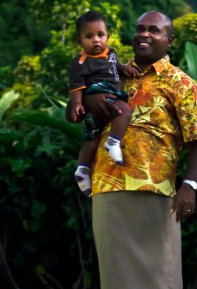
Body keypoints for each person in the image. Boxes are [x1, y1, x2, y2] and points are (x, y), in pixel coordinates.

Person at [67, 11, 197, 289]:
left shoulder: (180, 82)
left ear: (169, 40)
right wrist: (89, 103)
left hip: (158, 186)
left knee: (159, 267)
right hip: (109, 181)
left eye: (154, 29)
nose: (144, 34)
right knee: (116, 268)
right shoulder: (110, 71)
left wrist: (189, 185)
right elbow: (79, 113)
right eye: (139, 28)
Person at [69, 10, 138, 195]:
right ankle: (108, 147)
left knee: (96, 135)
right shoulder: (81, 62)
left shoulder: (111, 54)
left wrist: (124, 68)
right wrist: (77, 103)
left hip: (109, 97)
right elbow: (76, 86)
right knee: (121, 113)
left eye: (101, 35)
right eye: (89, 36)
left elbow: (115, 66)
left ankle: (87, 164)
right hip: (98, 96)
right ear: (80, 41)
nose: (96, 40)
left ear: (108, 36)